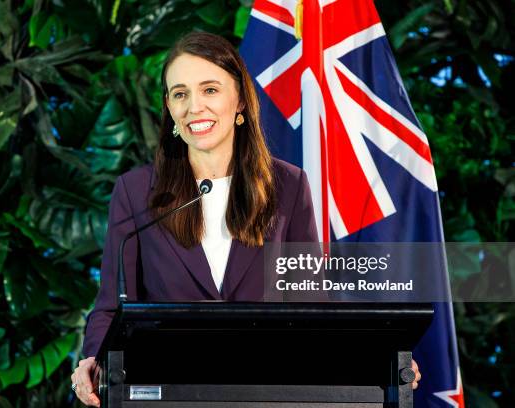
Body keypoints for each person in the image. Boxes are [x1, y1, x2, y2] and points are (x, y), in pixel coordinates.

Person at [71, 32, 420, 406]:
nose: (194, 107)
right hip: (169, 391)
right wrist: (93, 360)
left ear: (239, 100)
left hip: (264, 390)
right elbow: (111, 303)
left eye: (209, 90)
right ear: (169, 109)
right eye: (180, 93)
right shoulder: (136, 191)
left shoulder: (288, 185)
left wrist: (381, 358)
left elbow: (312, 302)